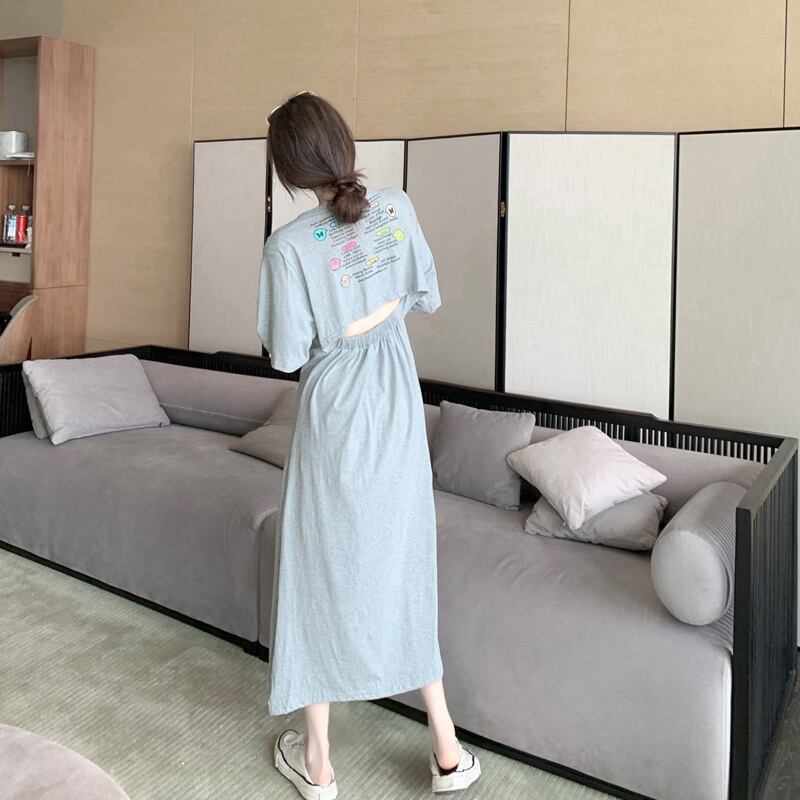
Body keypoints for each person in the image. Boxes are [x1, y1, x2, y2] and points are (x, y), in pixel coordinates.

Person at [257, 90, 482, 799]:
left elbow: (286, 354)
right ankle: (446, 748)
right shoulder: (398, 208)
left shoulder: (289, 247)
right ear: (344, 144)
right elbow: (426, 295)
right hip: (397, 400)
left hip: (336, 411)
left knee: (316, 566)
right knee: (404, 557)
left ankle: (319, 762)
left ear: (289, 172)